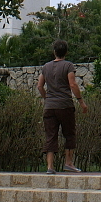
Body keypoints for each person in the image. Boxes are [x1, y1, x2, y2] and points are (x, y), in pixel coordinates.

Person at [37, 39, 88, 174]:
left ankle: (50, 167)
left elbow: (39, 85)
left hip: (50, 106)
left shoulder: (46, 67)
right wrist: (81, 101)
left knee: (51, 136)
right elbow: (72, 84)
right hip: (65, 105)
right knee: (69, 134)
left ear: (54, 52)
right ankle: (69, 163)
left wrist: (46, 98)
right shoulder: (68, 66)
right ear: (66, 52)